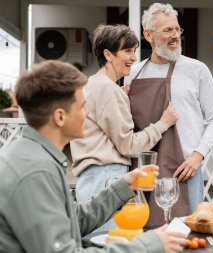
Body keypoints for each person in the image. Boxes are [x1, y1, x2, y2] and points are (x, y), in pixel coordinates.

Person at [0, 60, 187, 253]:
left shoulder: (35, 156)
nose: (87, 113)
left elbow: (72, 219)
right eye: (82, 106)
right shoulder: (34, 171)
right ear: (60, 117)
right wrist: (149, 246)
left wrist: (123, 187)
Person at [124, 3, 213, 225]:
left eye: (177, 29)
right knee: (146, 239)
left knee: (188, 237)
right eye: (167, 30)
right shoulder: (133, 73)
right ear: (148, 35)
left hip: (184, 172)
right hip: (143, 173)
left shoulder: (197, 70)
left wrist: (197, 156)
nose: (175, 36)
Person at [70, 24, 179, 231]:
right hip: (107, 177)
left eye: (135, 51)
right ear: (108, 55)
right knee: (112, 243)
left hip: (92, 179)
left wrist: (120, 96)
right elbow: (129, 146)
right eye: (127, 51)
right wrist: (163, 123)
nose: (134, 58)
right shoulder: (108, 90)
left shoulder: (93, 84)